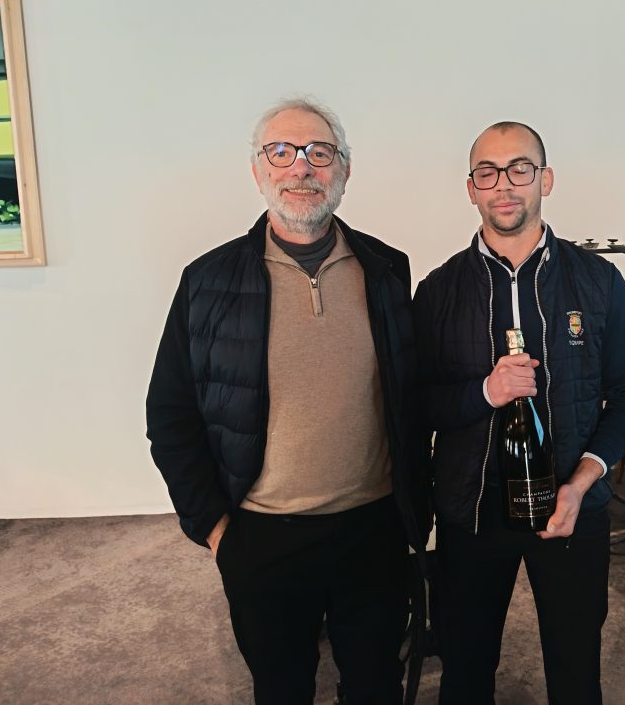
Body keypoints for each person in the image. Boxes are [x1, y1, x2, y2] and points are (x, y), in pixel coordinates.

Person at [146, 97, 428, 705]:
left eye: (319, 153)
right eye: (281, 152)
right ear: (258, 170)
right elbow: (170, 416)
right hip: (262, 537)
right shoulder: (208, 281)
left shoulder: (386, 269)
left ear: (344, 170)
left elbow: (412, 399)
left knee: (376, 688)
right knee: (281, 689)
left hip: (373, 531)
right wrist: (216, 531)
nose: (301, 167)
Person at [413, 121, 625, 704]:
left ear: (545, 180)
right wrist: (484, 393)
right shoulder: (438, 292)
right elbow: (414, 404)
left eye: (519, 168)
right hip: (471, 513)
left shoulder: (598, 281)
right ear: (471, 189)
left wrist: (582, 483)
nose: (504, 184)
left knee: (575, 670)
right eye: (487, 172)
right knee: (465, 672)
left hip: (571, 508)